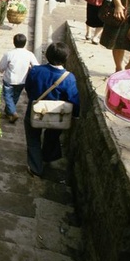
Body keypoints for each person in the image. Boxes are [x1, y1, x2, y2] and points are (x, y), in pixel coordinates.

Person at [24, 42, 80, 177]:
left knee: (33, 138)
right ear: (66, 58)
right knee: (52, 136)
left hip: (36, 110)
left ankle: (36, 168)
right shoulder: (69, 78)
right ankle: (48, 157)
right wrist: (75, 116)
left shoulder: (36, 71)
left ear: (47, 55)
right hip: (57, 114)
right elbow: (74, 99)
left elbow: (28, 88)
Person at [0, 34, 39, 123]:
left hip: (9, 80)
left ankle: (13, 112)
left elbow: (2, 67)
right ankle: (8, 113)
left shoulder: (9, 54)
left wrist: (1, 71)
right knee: (15, 96)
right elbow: (36, 66)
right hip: (22, 80)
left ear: (14, 42)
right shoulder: (29, 54)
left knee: (8, 96)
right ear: (25, 43)